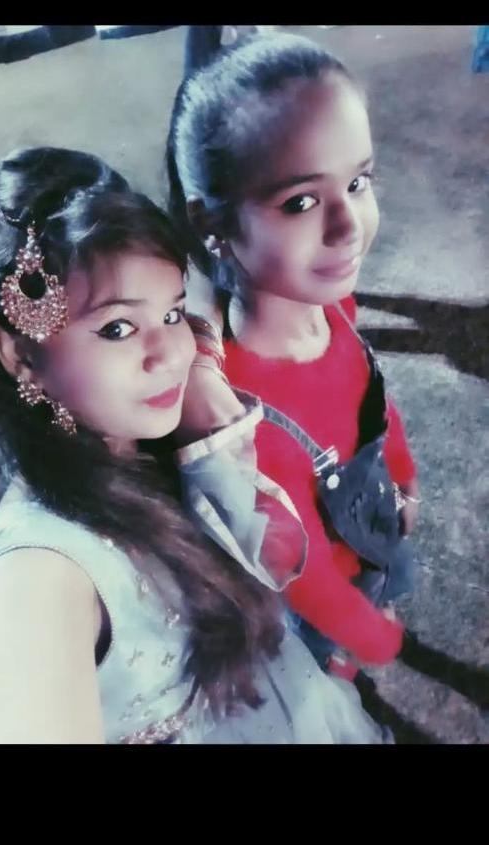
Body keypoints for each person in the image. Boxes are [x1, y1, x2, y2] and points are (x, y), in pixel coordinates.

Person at [0, 146, 389, 743]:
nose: (170, 355)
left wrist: (202, 372)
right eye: (117, 328)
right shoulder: (37, 572)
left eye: (173, 314)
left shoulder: (142, 436)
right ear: (19, 354)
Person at [166, 32, 421, 681]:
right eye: (301, 202)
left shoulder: (334, 305)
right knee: (330, 671)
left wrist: (402, 472)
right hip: (331, 594)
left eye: (358, 182)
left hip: (377, 524)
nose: (349, 225)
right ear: (211, 223)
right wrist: (370, 636)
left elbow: (371, 398)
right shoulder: (242, 419)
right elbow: (304, 577)